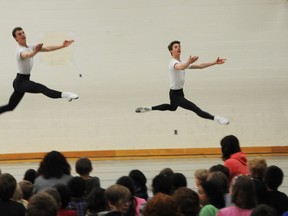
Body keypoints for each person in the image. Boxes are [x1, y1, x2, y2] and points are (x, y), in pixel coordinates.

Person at [135, 40, 229, 125]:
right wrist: (189, 61)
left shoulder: (183, 62)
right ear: (171, 51)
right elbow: (181, 67)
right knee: (195, 108)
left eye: (179, 46)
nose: (178, 48)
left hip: (179, 92)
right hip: (175, 94)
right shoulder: (173, 63)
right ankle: (217, 118)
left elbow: (200, 66)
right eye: (176, 47)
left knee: (172, 108)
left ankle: (149, 108)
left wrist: (214, 62)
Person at [0, 27, 78, 115]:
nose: (22, 35)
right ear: (16, 38)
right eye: (19, 34)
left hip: (23, 81)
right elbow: (27, 55)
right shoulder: (20, 50)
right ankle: (66, 95)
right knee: (42, 88)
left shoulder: (30, 46)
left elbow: (47, 48)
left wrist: (62, 45)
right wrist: (35, 51)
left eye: (23, 32)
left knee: (10, 107)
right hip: (20, 82)